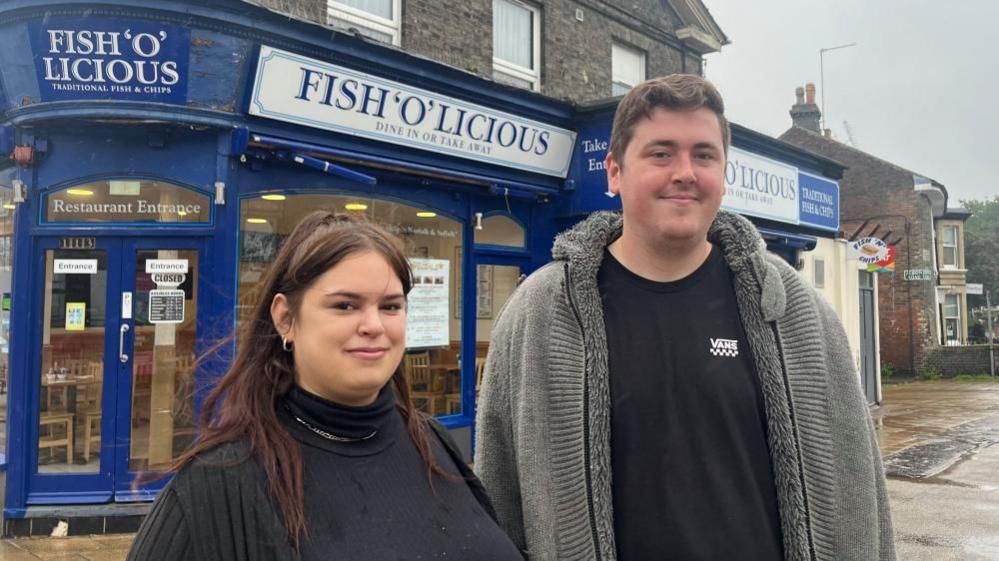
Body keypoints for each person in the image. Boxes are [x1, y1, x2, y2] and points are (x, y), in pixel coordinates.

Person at [474, 75, 895, 561]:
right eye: (660, 153)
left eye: (703, 155)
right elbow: (498, 499)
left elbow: (860, 494)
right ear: (614, 172)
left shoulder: (793, 310)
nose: (685, 172)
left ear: (723, 171)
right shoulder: (542, 313)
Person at [128, 211, 524, 561]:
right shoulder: (218, 485)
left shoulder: (431, 440)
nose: (373, 325)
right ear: (286, 319)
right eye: (345, 305)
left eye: (390, 306)